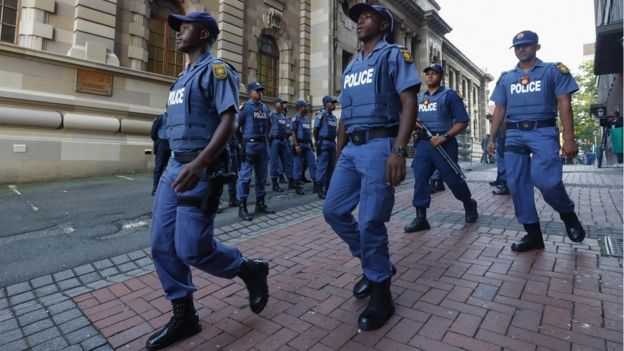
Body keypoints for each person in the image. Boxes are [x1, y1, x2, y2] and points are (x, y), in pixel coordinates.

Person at [147, 12, 269, 351]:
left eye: (184, 28)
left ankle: (248, 269)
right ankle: (184, 314)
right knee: (161, 244)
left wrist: (200, 164)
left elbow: (229, 121)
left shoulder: (217, 71)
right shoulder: (182, 77)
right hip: (176, 167)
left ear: (203, 34)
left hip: (201, 169)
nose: (178, 33)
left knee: (192, 248)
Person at [322, 3, 419, 331]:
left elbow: (409, 103)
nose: (360, 21)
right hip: (352, 149)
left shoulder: (395, 55)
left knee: (370, 222)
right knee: (333, 210)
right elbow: (344, 117)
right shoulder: (350, 68)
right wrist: (340, 154)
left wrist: (399, 150)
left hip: (381, 145)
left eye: (366, 17)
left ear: (384, 23)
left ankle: (382, 292)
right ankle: (375, 263)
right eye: (357, 17)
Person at [487, 30, 585, 252]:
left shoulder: (553, 71)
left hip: (543, 132)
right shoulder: (506, 77)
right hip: (513, 134)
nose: (522, 49)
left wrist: (569, 139)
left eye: (527, 45)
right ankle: (533, 235)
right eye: (517, 47)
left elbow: (564, 105)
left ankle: (568, 214)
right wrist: (492, 138)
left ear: (537, 47)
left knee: (547, 182)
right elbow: (500, 109)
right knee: (517, 185)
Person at [404, 63, 478, 233]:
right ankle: (421, 217)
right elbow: (416, 121)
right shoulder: (420, 98)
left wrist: (445, 136)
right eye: (427, 73)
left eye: (434, 73)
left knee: (453, 179)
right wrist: (415, 129)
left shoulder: (449, 96)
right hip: (424, 144)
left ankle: (469, 204)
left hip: (444, 143)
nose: (430, 76)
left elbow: (463, 121)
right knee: (420, 178)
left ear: (441, 77)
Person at [236, 82, 275, 220]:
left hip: (262, 146)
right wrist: (242, 143)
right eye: (257, 90)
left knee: (262, 177)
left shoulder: (265, 108)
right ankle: (242, 206)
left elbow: (270, 126)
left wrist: (267, 139)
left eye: (260, 90)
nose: (260, 93)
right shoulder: (245, 107)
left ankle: (260, 204)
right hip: (249, 145)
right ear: (250, 92)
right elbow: (236, 127)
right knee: (245, 178)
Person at [313, 95, 339, 199]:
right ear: (326, 104)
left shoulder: (333, 117)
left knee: (331, 167)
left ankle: (328, 189)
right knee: (322, 167)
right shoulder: (321, 114)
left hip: (332, 143)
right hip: (323, 143)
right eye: (332, 102)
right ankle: (320, 190)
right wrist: (317, 142)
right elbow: (315, 129)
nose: (334, 104)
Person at [291, 100, 317, 195]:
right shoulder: (296, 118)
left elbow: (308, 134)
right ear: (300, 108)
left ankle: (316, 184)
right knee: (298, 166)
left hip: (307, 145)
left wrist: (312, 144)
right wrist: (296, 146)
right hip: (299, 145)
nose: (307, 108)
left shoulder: (306, 118)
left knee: (312, 164)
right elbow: (293, 133)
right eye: (305, 106)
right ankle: (298, 186)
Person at [268, 98, 294, 192]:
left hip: (283, 140)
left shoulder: (283, 116)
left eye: (283, 104)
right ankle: (275, 184)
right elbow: (267, 128)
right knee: (274, 163)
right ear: (275, 104)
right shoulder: (271, 115)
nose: (282, 105)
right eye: (281, 103)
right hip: (274, 141)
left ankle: (291, 181)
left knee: (287, 161)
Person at [150, 112, 171, 196]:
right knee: (159, 167)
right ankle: (155, 188)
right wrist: (158, 142)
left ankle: (167, 189)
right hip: (162, 144)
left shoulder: (175, 117)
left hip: (172, 144)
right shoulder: (160, 118)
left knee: (170, 167)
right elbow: (153, 133)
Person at [492, 122, 510, 195]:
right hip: (502, 135)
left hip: (503, 135)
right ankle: (505, 185)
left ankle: (506, 186)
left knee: (503, 161)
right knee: (502, 161)